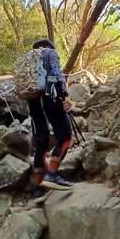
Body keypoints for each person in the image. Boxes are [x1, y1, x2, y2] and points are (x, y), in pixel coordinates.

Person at [28, 39, 74, 204]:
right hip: (50, 98)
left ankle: (38, 188)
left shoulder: (29, 60)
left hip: (33, 102)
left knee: (41, 142)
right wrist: (65, 96)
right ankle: (52, 174)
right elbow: (56, 73)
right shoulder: (50, 53)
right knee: (66, 136)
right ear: (49, 47)